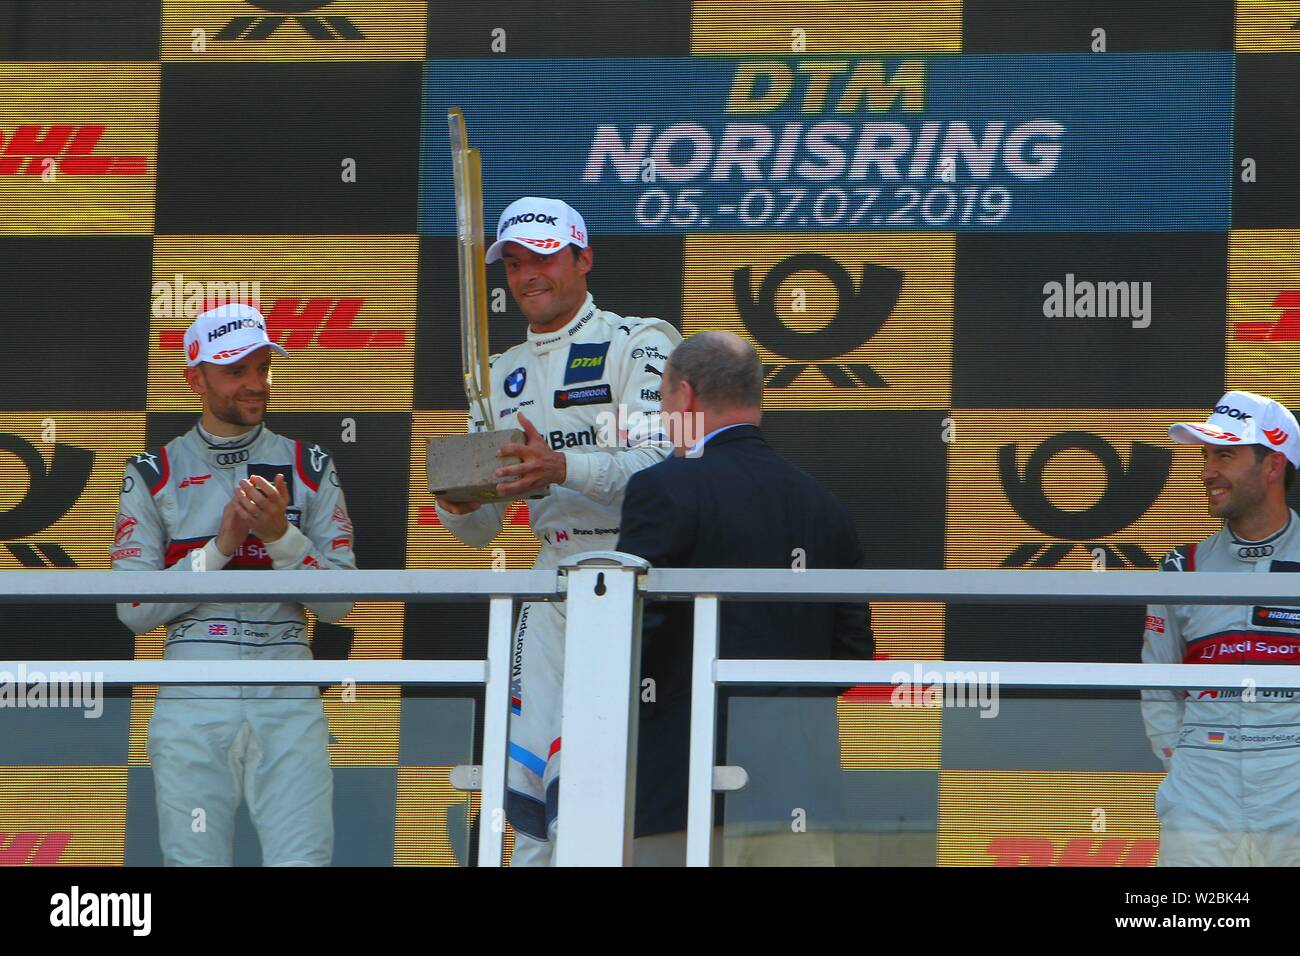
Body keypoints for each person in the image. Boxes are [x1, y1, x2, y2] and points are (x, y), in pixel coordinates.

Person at [433, 196, 681, 866]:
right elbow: (483, 528)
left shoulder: (643, 342)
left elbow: (666, 463)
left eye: (542, 258)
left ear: (583, 259)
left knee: (601, 774)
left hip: (635, 579)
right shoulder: (494, 374)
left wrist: (560, 464)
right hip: (551, 580)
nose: (526, 275)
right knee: (535, 783)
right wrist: (458, 504)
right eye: (513, 264)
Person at [616, 331, 874, 866]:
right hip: (800, 794)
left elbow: (622, 640)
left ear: (684, 396)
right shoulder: (825, 506)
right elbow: (851, 659)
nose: (664, 415)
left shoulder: (661, 488)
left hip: (679, 795)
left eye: (663, 400)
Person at [113, 302, 357, 866]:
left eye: (263, 367)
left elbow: (342, 603)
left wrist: (282, 539)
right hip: (195, 684)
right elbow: (133, 609)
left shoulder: (309, 464)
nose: (255, 384)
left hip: (288, 680)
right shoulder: (153, 472)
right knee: (193, 862)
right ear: (194, 378)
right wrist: (219, 549)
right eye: (235, 371)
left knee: (304, 862)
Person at [1142, 389, 1300, 866]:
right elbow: (1156, 685)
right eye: (1208, 455)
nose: (1208, 470)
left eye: (1225, 455)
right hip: (1202, 781)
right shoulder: (1182, 567)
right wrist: (1183, 766)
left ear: (1273, 465)